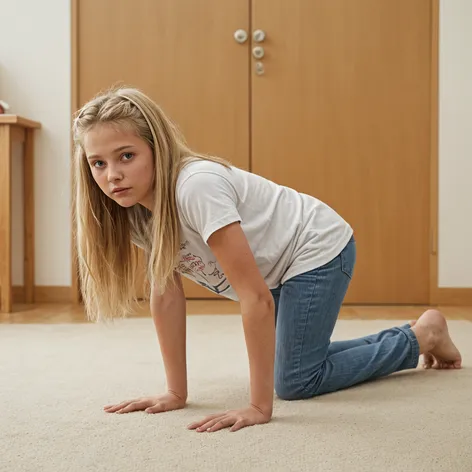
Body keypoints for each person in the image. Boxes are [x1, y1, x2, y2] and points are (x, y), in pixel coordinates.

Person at [72, 86, 462, 434]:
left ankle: (423, 337)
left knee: (295, 380)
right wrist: (175, 392)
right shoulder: (136, 209)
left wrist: (259, 407)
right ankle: (419, 332)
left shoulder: (196, 188)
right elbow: (167, 296)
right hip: (277, 268)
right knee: (298, 361)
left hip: (315, 249)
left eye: (126, 156)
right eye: (99, 163)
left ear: (157, 148)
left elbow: (255, 298)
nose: (113, 176)